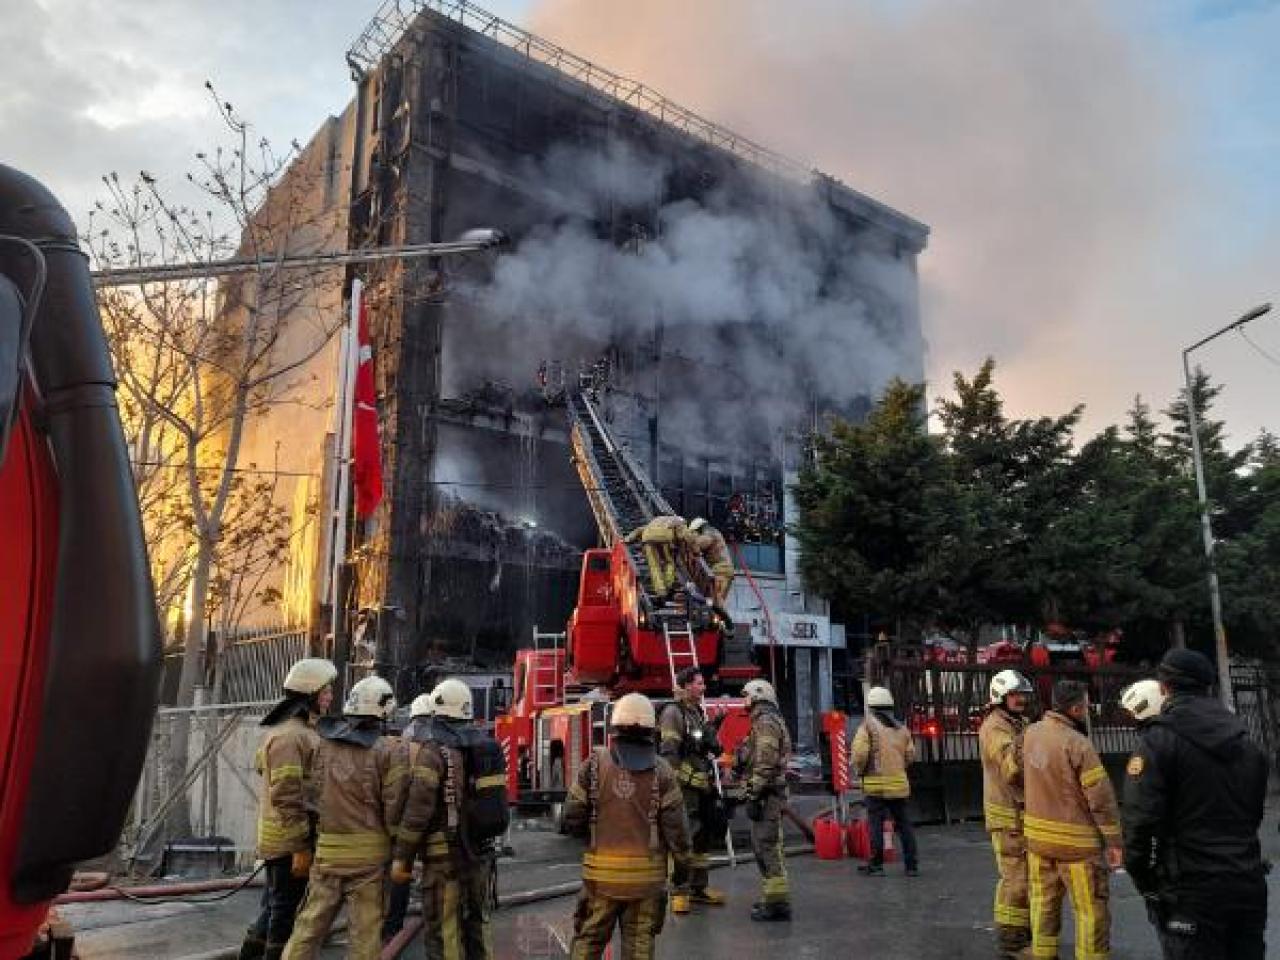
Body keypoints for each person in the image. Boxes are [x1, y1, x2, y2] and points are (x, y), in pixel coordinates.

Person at [1123, 649, 1269, 959]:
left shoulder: (1158, 741)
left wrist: (1147, 881)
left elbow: (1141, 822)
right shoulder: (1247, 743)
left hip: (1191, 890)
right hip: (1247, 882)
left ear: (1164, 688)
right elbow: (1253, 816)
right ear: (1209, 687)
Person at [283, 676, 406, 960]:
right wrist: (403, 851)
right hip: (369, 864)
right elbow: (394, 808)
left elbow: (308, 798)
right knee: (364, 937)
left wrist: (302, 844)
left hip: (327, 856)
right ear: (383, 711)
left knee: (307, 929)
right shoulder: (389, 751)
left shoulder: (322, 746)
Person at [562, 693, 690, 959]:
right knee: (639, 949)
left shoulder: (593, 765)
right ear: (651, 728)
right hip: (647, 885)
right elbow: (678, 832)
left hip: (600, 883)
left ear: (614, 725)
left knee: (587, 943)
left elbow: (571, 817)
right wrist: (682, 872)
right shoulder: (663, 771)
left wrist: (595, 833)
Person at [239, 658, 337, 960]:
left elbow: (262, 768)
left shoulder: (296, 730)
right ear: (310, 694)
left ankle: (250, 954)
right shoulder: (291, 736)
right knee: (285, 910)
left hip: (286, 837)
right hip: (287, 841)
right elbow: (285, 793)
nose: (331, 697)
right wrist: (300, 847)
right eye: (326, 691)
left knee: (274, 905)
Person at [392, 678, 497, 960]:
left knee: (444, 929)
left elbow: (419, 809)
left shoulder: (434, 750)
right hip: (478, 854)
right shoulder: (482, 747)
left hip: (443, 859)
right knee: (477, 925)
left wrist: (402, 856)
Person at [1022, 681, 1121, 960]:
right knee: (1090, 911)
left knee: (1043, 903)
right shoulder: (1079, 744)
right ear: (1076, 708)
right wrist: (1114, 841)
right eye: (1086, 706)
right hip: (1078, 848)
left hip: (1038, 842)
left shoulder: (1030, 734)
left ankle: (1042, 954)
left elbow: (1012, 773)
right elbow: (1100, 800)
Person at [658, 667, 727, 913]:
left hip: (700, 787)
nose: (703, 687)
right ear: (686, 686)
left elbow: (698, 743)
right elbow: (669, 758)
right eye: (699, 683)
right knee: (683, 838)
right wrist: (690, 779)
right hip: (683, 790)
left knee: (702, 837)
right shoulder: (673, 714)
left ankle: (699, 887)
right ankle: (678, 890)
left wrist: (715, 724)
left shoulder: (694, 713)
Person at [978, 669, 1034, 959]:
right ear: (1000, 696)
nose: (1021, 699)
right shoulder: (995, 727)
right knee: (1016, 879)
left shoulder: (1017, 723)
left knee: (1027, 878)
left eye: (1023, 694)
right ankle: (1012, 942)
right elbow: (1011, 766)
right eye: (1014, 694)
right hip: (1007, 816)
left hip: (1021, 814)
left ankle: (1024, 933)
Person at [382, 693, 435, 944]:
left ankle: (392, 926)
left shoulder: (403, 740)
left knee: (398, 870)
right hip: (431, 819)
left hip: (403, 819)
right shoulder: (438, 740)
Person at [738, 678, 793, 921]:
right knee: (763, 846)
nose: (744, 701)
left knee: (767, 847)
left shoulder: (766, 722)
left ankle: (777, 905)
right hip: (767, 792)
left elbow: (765, 761)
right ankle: (772, 899)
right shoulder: (763, 721)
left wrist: (753, 791)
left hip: (767, 794)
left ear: (758, 696)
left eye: (746, 695)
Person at [853, 685, 919, 877]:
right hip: (899, 785)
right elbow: (911, 755)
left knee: (876, 825)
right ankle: (912, 866)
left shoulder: (868, 727)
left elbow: (859, 754)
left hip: (876, 786)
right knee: (904, 825)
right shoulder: (902, 729)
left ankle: (876, 865)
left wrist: (860, 771)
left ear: (871, 707)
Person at [623, 515, 691, 598]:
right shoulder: (679, 522)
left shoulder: (652, 525)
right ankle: (668, 585)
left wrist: (627, 539)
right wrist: (695, 551)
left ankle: (661, 590)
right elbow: (685, 536)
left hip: (649, 541)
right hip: (666, 541)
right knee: (669, 563)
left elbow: (638, 530)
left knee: (654, 566)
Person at [688, 517, 735, 610]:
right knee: (714, 599)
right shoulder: (713, 532)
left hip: (721, 571)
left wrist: (689, 539)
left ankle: (720, 621)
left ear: (699, 529)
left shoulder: (710, 533)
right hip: (721, 570)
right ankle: (718, 619)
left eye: (695, 532)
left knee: (716, 599)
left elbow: (699, 543)